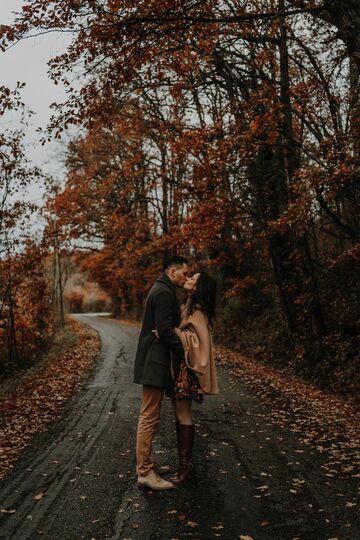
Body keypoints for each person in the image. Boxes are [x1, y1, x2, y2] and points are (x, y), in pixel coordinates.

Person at [154, 270, 219, 485]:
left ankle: (186, 467)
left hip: (185, 369)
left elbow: (196, 341)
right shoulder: (191, 306)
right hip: (181, 366)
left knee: (183, 414)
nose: (189, 278)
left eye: (194, 279)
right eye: (189, 276)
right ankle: (185, 465)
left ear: (199, 288)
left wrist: (170, 332)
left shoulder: (198, 311)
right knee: (179, 413)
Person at [133, 255, 188, 490]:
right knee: (149, 416)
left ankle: (148, 464)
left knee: (150, 415)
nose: (185, 277)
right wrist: (185, 352)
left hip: (155, 360)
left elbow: (164, 329)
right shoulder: (164, 292)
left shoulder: (160, 288)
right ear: (172, 272)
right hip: (154, 361)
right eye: (184, 273)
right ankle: (144, 472)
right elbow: (165, 331)